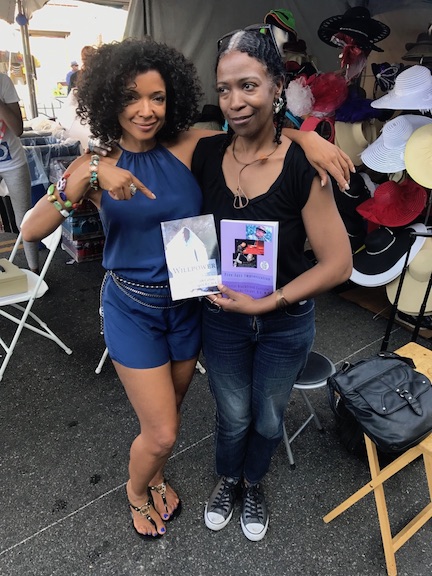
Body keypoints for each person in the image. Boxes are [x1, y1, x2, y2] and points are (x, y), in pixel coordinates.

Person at [21, 37, 353, 540]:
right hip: (132, 305)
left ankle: (156, 474)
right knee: (162, 431)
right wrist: (90, 172)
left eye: (157, 97)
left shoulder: (190, 143)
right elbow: (29, 228)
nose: (147, 110)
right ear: (111, 100)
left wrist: (306, 138)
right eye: (132, 98)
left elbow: (251, 128)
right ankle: (135, 491)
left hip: (189, 302)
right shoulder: (94, 164)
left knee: (171, 415)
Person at [191, 29, 352, 541]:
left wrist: (268, 303)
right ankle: (228, 478)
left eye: (249, 86)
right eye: (223, 89)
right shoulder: (205, 152)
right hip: (221, 320)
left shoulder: (304, 166)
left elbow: (338, 263)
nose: (235, 102)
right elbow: (138, 139)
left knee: (266, 417)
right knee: (232, 414)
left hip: (283, 324)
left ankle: (254, 483)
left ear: (277, 86)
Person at [0, 72, 39, 273]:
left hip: (12, 160)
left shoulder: (2, 81)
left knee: (24, 217)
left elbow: (17, 129)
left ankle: (35, 270)